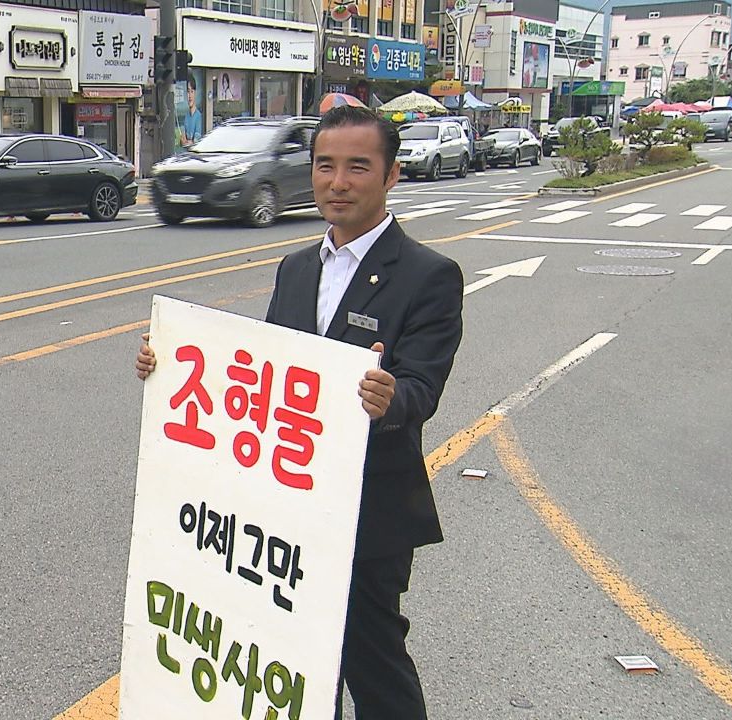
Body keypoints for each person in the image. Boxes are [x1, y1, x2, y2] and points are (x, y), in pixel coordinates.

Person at [134, 105, 464, 720]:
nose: (338, 182)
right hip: (286, 508)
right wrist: (170, 364)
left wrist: (389, 397)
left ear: (391, 175)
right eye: (325, 166)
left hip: (368, 509)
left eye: (357, 167)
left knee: (372, 657)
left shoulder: (429, 275)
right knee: (293, 655)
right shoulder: (297, 267)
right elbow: (261, 373)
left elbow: (422, 387)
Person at [180, 75, 203, 149]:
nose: (189, 95)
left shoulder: (198, 116)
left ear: (195, 93)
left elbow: (196, 141)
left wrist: (189, 142)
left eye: (192, 91)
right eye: (188, 91)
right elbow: (182, 138)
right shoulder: (186, 116)